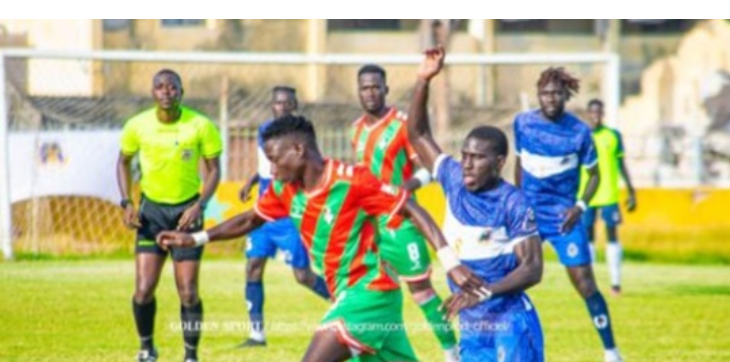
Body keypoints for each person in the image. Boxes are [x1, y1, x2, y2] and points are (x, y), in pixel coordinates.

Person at [156, 115, 490, 362]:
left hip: (369, 293)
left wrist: (451, 262)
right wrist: (197, 238)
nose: (270, 170)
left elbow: (411, 208)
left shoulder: (352, 181)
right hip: (354, 296)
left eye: (274, 159)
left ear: (299, 150)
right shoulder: (286, 191)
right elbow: (250, 218)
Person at [408, 46, 545, 362]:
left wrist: (483, 292)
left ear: (498, 162)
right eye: (465, 156)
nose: (467, 164)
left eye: (478, 158)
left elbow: (533, 269)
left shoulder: (513, 202)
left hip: (510, 320)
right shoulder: (452, 177)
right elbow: (417, 134)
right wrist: (423, 80)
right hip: (473, 323)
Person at [513, 67, 623, 362]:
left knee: (585, 283)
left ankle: (611, 351)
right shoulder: (523, 123)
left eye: (557, 93)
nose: (551, 98)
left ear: (566, 95)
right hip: (530, 217)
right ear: (538, 95)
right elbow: (519, 164)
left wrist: (580, 207)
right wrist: (516, 202)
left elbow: (595, 176)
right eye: (546, 93)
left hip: (564, 217)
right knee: (507, 277)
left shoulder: (579, 131)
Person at [351, 64, 458, 361]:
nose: (370, 92)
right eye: (364, 87)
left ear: (385, 89)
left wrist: (405, 187)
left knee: (422, 292)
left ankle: (453, 353)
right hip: (370, 229)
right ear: (358, 91)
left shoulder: (402, 124)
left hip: (401, 222)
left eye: (375, 86)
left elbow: (428, 169)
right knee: (373, 294)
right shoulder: (356, 129)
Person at [117, 69, 222, 362]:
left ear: (181, 92)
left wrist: (199, 205)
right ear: (153, 93)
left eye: (172, 87)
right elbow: (123, 162)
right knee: (143, 289)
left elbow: (214, 170)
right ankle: (147, 348)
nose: (166, 92)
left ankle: (190, 356)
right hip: (151, 214)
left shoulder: (200, 125)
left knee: (188, 291)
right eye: (160, 87)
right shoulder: (137, 126)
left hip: (187, 213)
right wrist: (126, 202)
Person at [236, 86, 330, 347]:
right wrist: (251, 181)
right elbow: (269, 165)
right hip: (264, 212)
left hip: (287, 215)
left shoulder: (302, 138)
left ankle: (342, 302)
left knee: (303, 276)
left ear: (295, 105)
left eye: (288, 103)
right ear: (272, 105)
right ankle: (257, 334)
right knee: (253, 267)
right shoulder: (263, 131)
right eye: (279, 102)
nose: (283, 107)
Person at [579, 99, 637, 296]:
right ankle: (590, 284)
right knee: (588, 238)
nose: (595, 116)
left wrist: (631, 191)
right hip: (586, 195)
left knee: (612, 234)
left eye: (599, 112)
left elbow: (621, 165)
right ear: (588, 113)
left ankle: (615, 283)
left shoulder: (613, 136)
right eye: (592, 112)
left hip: (609, 194)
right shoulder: (581, 136)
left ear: (602, 114)